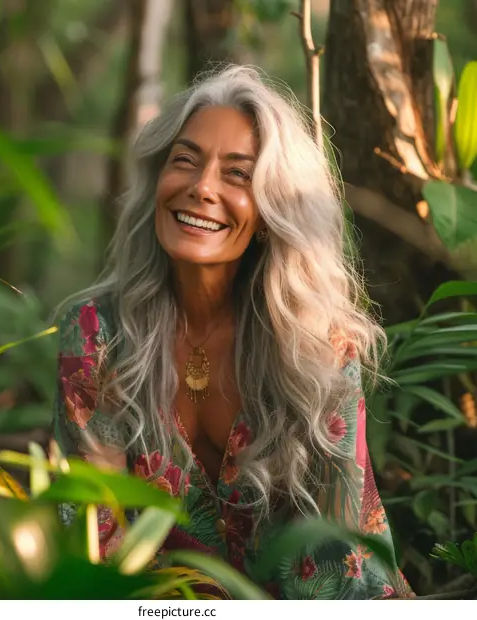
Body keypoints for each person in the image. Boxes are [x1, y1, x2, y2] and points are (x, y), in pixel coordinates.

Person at [52, 65, 413, 600]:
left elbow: (341, 557)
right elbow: (93, 533)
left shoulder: (321, 348)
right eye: (185, 161)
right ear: (158, 181)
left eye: (238, 174)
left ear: (273, 211)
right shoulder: (94, 335)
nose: (201, 188)